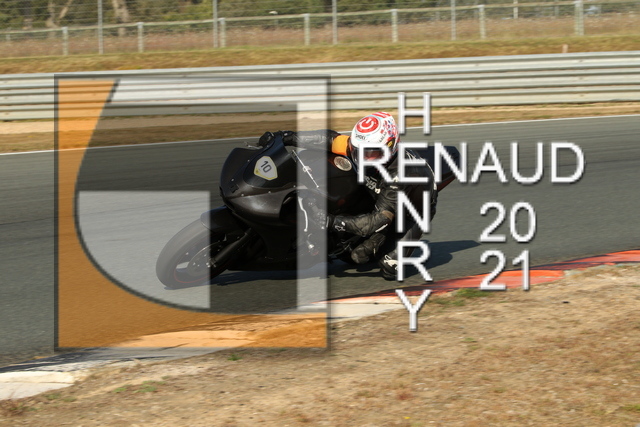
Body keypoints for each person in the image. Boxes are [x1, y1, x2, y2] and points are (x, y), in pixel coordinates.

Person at [258, 112, 457, 280]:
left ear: (391, 146)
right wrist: (285, 137)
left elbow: (378, 221)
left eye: (373, 154)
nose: (365, 158)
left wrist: (330, 222)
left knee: (383, 267)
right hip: (377, 190)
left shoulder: (399, 174)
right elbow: (329, 139)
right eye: (359, 151)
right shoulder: (361, 146)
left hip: (409, 210)